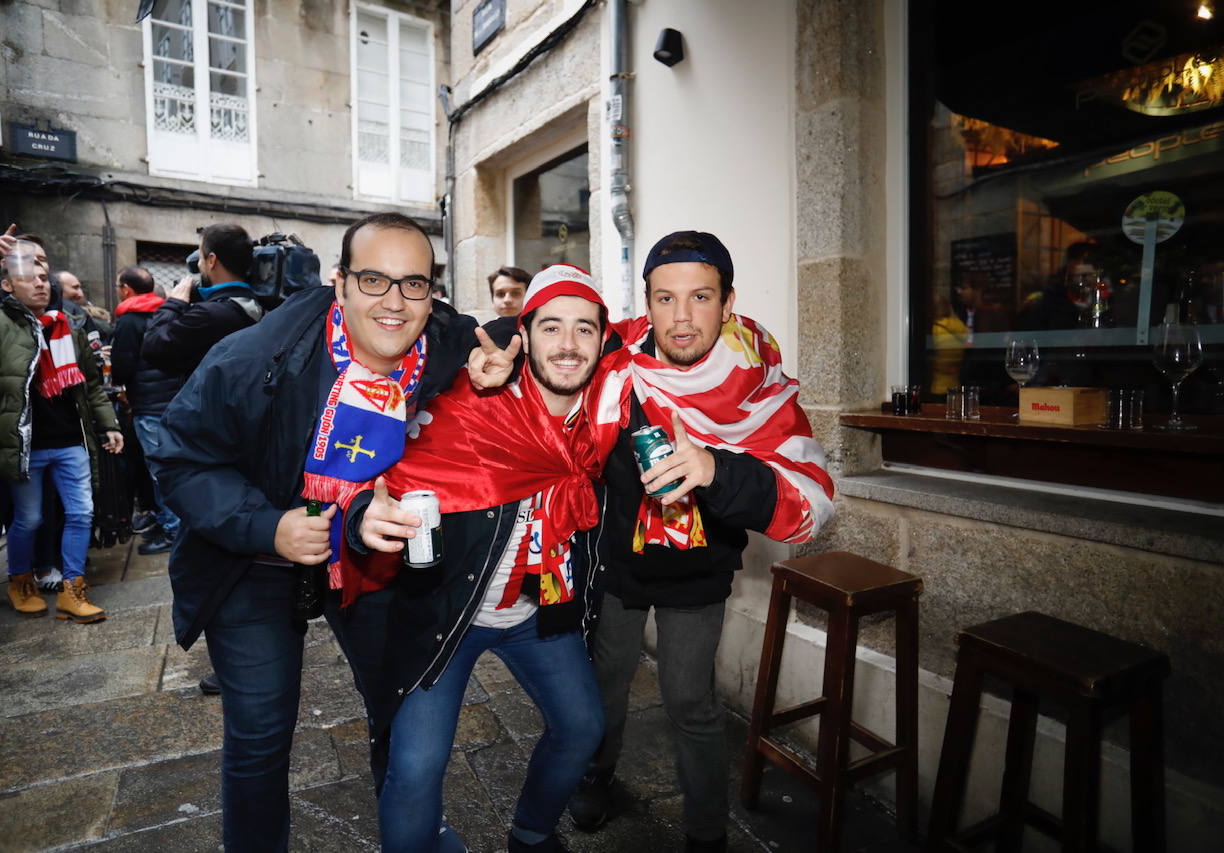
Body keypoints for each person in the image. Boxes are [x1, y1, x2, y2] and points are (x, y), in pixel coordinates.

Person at [148, 212, 478, 853]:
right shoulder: (253, 358)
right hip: (255, 561)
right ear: (341, 283)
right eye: (374, 280)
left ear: (432, 293)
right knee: (261, 734)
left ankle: (409, 833)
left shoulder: (440, 344)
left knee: (396, 707)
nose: (394, 301)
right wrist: (267, 528)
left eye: (414, 284)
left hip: (366, 554)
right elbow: (180, 457)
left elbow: (481, 336)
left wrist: (490, 366)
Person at [566, 231, 836, 852]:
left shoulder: (756, 386)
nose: (681, 318)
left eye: (700, 297)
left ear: (728, 301)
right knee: (605, 686)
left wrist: (716, 469)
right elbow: (544, 336)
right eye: (664, 298)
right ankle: (596, 775)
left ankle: (706, 833)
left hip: (698, 572)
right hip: (619, 567)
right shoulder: (614, 360)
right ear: (647, 303)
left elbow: (806, 492)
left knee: (691, 703)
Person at [352, 265, 611, 853]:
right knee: (416, 769)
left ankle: (532, 834)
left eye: (585, 330)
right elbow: (413, 333)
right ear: (524, 334)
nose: (568, 345)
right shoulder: (470, 402)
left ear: (603, 341)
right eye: (551, 327)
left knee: (582, 728)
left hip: (535, 611)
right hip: (445, 615)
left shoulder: (606, 419)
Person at [0, 225, 124, 624]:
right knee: (29, 519)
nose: (42, 284)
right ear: (8, 285)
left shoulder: (68, 329)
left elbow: (91, 387)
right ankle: (20, 581)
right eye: (31, 278)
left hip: (71, 442)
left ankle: (73, 590)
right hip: (25, 446)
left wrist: (108, 424)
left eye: (45, 277)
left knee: (80, 514)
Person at [111, 265, 183, 556]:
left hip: (150, 404)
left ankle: (173, 529)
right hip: (173, 401)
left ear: (126, 290)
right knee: (170, 466)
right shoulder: (167, 312)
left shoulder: (129, 320)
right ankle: (170, 521)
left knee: (159, 470)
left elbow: (122, 367)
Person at [141, 224, 264, 378]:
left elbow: (153, 348)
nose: (199, 265)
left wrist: (174, 303)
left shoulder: (209, 315)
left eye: (200, 257)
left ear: (211, 260)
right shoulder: (256, 306)